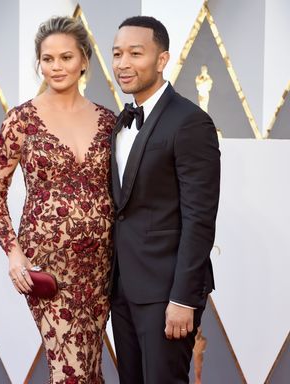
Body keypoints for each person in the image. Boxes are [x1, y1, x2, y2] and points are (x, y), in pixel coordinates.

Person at [0, 16, 116, 384]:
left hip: (100, 266)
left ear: (84, 60)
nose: (56, 67)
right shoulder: (21, 120)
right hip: (47, 263)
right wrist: (13, 252)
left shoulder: (109, 122)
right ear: (39, 62)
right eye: (48, 59)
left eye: (66, 57)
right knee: (68, 369)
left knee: (89, 367)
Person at [110, 16, 220, 383]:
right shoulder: (119, 124)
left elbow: (199, 218)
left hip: (167, 293)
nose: (123, 63)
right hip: (122, 288)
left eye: (135, 53)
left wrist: (184, 299)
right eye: (117, 54)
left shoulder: (190, 122)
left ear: (162, 60)